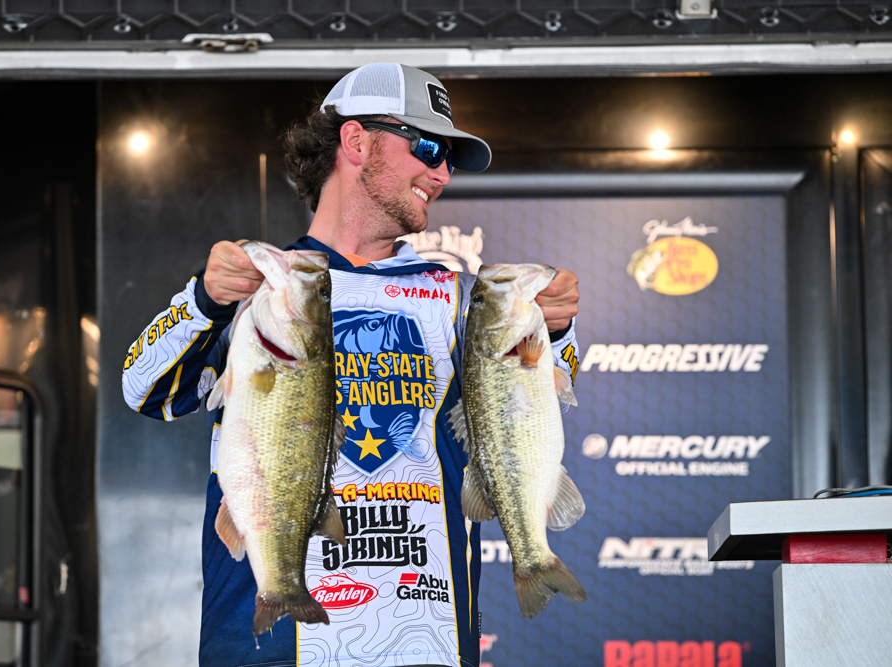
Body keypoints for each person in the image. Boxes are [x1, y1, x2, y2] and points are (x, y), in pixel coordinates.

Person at [122, 63, 580, 667]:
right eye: (428, 147)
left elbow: (535, 401)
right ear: (356, 140)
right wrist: (205, 301)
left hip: (425, 642)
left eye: (449, 158)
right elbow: (144, 390)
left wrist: (556, 329)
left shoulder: (466, 299)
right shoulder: (264, 285)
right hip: (270, 642)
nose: (442, 172)